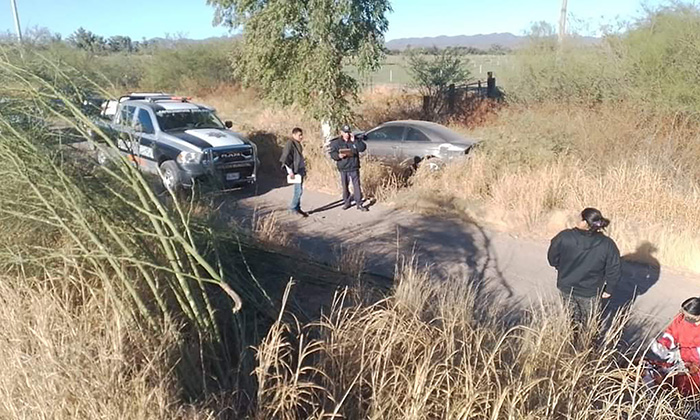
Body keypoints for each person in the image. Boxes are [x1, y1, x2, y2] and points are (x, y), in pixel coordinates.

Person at [547, 207, 621, 324]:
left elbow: (552, 259)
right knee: (589, 323)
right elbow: (614, 267)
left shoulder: (564, 237)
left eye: (580, 217)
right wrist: (609, 288)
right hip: (591, 291)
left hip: (566, 287)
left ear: (585, 223)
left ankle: (570, 340)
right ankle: (586, 341)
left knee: (570, 320)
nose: (577, 219)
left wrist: (561, 267)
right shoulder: (607, 244)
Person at [643, 297, 700, 396]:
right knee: (647, 367)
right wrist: (664, 345)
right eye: (683, 314)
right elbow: (671, 332)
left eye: (690, 317)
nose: (685, 318)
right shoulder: (681, 318)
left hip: (694, 365)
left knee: (685, 388)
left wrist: (688, 362)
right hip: (678, 359)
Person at [329, 124, 368, 212]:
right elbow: (332, 153)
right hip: (343, 167)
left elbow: (362, 148)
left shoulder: (355, 140)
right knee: (345, 186)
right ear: (341, 133)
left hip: (354, 166)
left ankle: (359, 203)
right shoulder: (336, 142)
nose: (347, 134)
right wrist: (338, 156)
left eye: (348, 132)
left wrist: (355, 142)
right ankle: (347, 202)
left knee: (357, 186)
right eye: (345, 132)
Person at [279, 127, 308, 217]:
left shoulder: (297, 143)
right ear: (294, 135)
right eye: (299, 135)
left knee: (299, 190)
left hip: (300, 170)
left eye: (301, 135)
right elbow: (286, 158)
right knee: (298, 190)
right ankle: (293, 207)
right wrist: (290, 171)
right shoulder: (290, 144)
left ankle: (297, 208)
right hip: (295, 171)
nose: (301, 137)